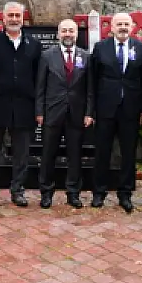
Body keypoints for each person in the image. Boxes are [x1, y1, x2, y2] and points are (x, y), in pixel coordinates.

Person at [0, 2, 41, 207]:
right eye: (10, 15)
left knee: (22, 153)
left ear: (23, 19)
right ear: (3, 19)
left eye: (18, 15)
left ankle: (18, 190)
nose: (14, 19)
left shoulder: (33, 44)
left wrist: (37, 109)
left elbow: (38, 80)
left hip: (24, 107)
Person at [90, 12, 142, 213]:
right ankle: (99, 192)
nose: (123, 27)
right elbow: (92, 80)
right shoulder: (100, 48)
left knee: (128, 153)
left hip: (130, 109)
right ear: (111, 27)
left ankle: (125, 194)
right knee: (102, 152)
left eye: (126, 24)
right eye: (119, 24)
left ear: (132, 26)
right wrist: (93, 108)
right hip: (105, 108)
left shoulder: (140, 48)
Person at [34, 19, 93, 209]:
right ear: (58, 34)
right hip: (52, 112)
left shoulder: (86, 56)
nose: (68, 34)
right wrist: (39, 112)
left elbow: (90, 88)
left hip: (77, 113)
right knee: (48, 153)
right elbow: (40, 87)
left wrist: (89, 113)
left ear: (76, 34)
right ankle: (46, 192)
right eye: (64, 31)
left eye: (71, 31)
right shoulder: (46, 56)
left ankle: (73, 193)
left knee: (75, 155)